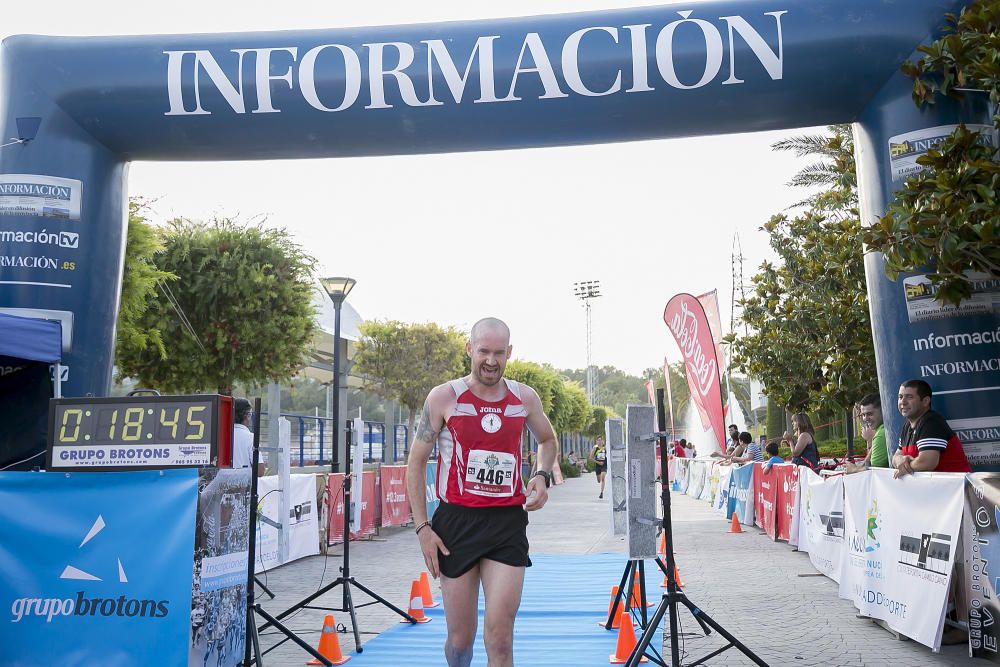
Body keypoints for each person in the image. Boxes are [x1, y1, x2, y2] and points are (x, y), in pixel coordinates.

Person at [405, 317, 558, 667]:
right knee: (460, 643)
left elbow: (547, 440)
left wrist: (542, 475)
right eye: (484, 351)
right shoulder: (445, 397)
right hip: (455, 524)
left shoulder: (524, 398)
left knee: (500, 640)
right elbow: (415, 463)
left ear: (509, 353)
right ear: (469, 349)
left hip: (506, 523)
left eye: (499, 353)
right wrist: (422, 528)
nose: (491, 360)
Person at [892, 379, 971, 477]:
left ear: (925, 401)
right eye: (900, 397)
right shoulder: (907, 426)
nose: (903, 402)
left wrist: (904, 468)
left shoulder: (931, 422)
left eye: (909, 397)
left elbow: (927, 462)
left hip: (955, 488)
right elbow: (896, 456)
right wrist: (899, 460)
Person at [845, 394, 889, 474]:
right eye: (863, 415)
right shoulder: (881, 430)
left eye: (870, 414)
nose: (865, 418)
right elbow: (867, 463)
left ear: (882, 411)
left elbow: (873, 470)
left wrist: (854, 469)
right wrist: (870, 440)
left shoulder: (881, 433)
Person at [231, 398, 264, 475]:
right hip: (243, 484)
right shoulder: (251, 438)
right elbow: (260, 471)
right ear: (248, 415)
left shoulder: (220, 436)